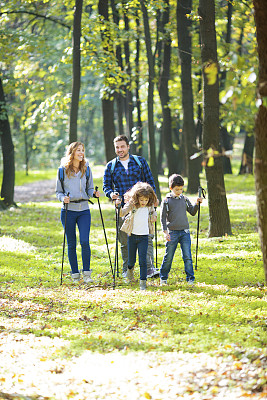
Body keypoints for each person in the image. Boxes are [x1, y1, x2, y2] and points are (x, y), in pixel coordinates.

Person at [103, 135, 159, 279]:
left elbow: (150, 182)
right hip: (124, 209)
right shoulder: (111, 166)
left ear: (128, 146)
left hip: (143, 206)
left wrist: (154, 200)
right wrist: (112, 195)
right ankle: (127, 270)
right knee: (125, 241)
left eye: (122, 146)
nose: (120, 150)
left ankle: (149, 268)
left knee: (147, 238)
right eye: (117, 147)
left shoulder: (140, 162)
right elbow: (106, 187)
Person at [56, 142, 100, 283]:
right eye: (78, 150)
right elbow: (58, 192)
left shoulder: (86, 169)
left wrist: (93, 193)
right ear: (72, 153)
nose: (81, 153)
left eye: (83, 150)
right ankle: (75, 275)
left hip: (84, 210)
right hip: (68, 211)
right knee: (71, 243)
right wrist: (64, 198)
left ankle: (87, 274)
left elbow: (89, 188)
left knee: (85, 241)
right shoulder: (62, 170)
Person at [160, 174, 203, 286]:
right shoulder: (166, 201)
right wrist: (165, 232)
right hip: (172, 232)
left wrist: (197, 204)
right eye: (176, 189)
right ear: (171, 188)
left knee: (187, 256)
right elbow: (162, 217)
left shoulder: (184, 199)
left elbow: (192, 212)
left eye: (181, 189)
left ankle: (190, 279)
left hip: (185, 232)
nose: (179, 191)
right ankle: (163, 278)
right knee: (168, 256)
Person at [115, 182, 157, 290]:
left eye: (146, 200)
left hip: (144, 236)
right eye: (142, 200)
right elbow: (122, 213)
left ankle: (143, 282)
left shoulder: (149, 205)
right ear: (136, 197)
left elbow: (153, 213)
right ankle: (129, 270)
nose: (144, 202)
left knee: (143, 260)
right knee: (131, 261)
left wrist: (154, 216)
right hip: (132, 236)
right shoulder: (132, 204)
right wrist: (118, 206)